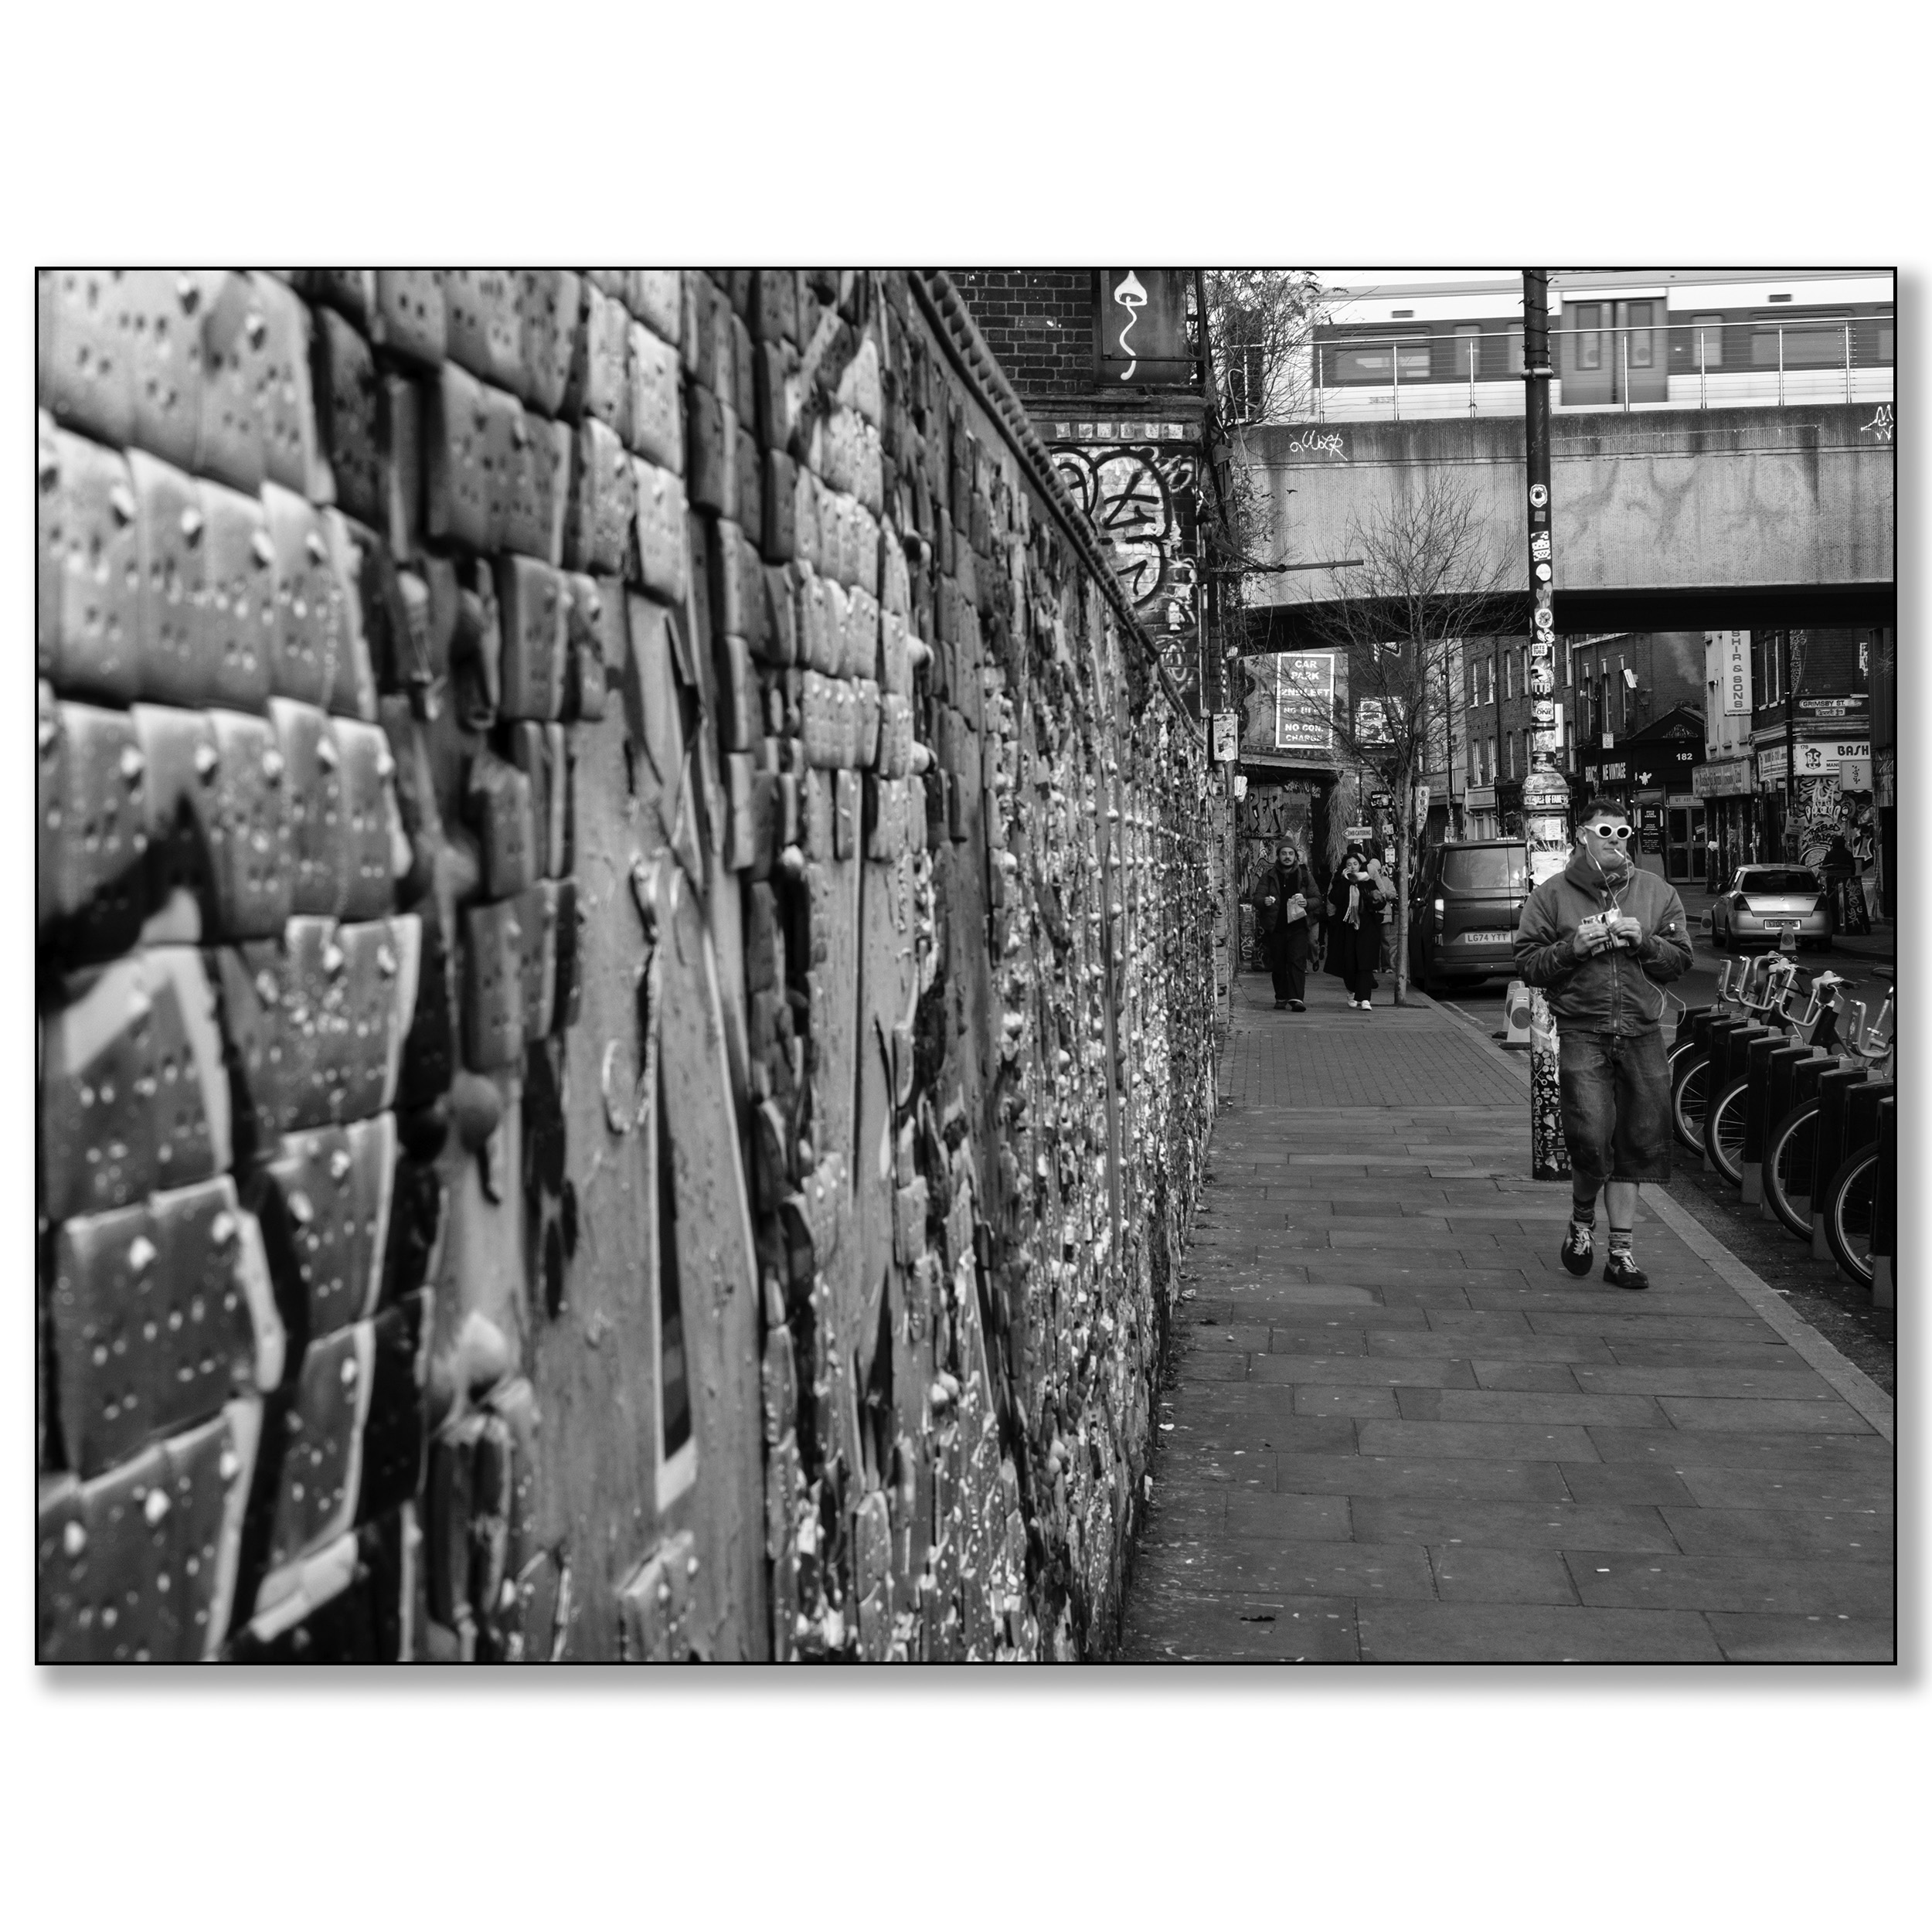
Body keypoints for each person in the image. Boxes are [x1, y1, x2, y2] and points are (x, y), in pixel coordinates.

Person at [1514, 797, 1694, 1291]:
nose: (1615, 841)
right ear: (1582, 836)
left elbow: (1681, 961)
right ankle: (1580, 1220)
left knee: (1637, 1143)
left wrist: (1647, 943)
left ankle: (1620, 1253)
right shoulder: (1552, 895)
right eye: (1605, 832)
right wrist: (1570, 950)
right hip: (1583, 1029)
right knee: (1590, 1139)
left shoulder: (1656, 893)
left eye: (1624, 833)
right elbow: (1528, 961)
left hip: (1641, 1030)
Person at [1253, 838, 1317, 1011]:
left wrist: (1307, 903)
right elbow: (1257, 898)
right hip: (1276, 928)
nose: (1287, 857)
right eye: (1284, 853)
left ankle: (1296, 999)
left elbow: (1317, 899)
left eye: (1290, 854)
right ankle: (1281, 996)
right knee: (1279, 964)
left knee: (1297, 962)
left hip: (1298, 928)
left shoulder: (1304, 876)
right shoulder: (1269, 876)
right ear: (1278, 856)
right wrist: (1264, 901)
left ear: (1295, 856)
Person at [1326, 843, 1386, 1012]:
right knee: (1349, 963)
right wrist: (1345, 882)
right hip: (1347, 928)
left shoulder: (1368, 881)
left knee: (1365, 963)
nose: (1352, 867)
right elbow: (1335, 898)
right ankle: (1352, 991)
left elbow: (1380, 900)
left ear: (1360, 865)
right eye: (1349, 864)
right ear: (1344, 867)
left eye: (1355, 864)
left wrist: (1367, 886)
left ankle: (1365, 998)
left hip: (1366, 928)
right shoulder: (1340, 881)